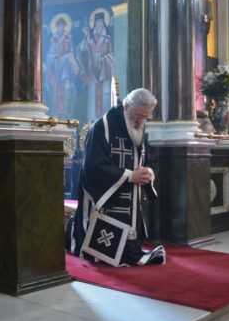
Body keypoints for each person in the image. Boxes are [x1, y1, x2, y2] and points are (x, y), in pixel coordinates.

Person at [66, 88, 164, 267]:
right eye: (138, 115)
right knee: (113, 255)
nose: (141, 121)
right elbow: (93, 167)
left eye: (146, 117)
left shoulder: (139, 127)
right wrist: (130, 176)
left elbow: (150, 157)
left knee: (130, 252)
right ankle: (73, 230)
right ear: (126, 107)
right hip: (107, 201)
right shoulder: (102, 127)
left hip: (131, 203)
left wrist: (149, 172)